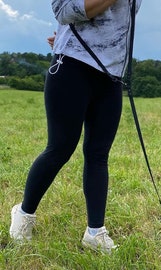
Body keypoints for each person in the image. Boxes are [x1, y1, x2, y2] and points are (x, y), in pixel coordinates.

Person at [10, 0, 142, 254]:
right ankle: (24, 213)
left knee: (98, 154)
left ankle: (95, 232)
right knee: (60, 148)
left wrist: (65, 34)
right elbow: (63, 10)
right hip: (71, 67)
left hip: (110, 75)